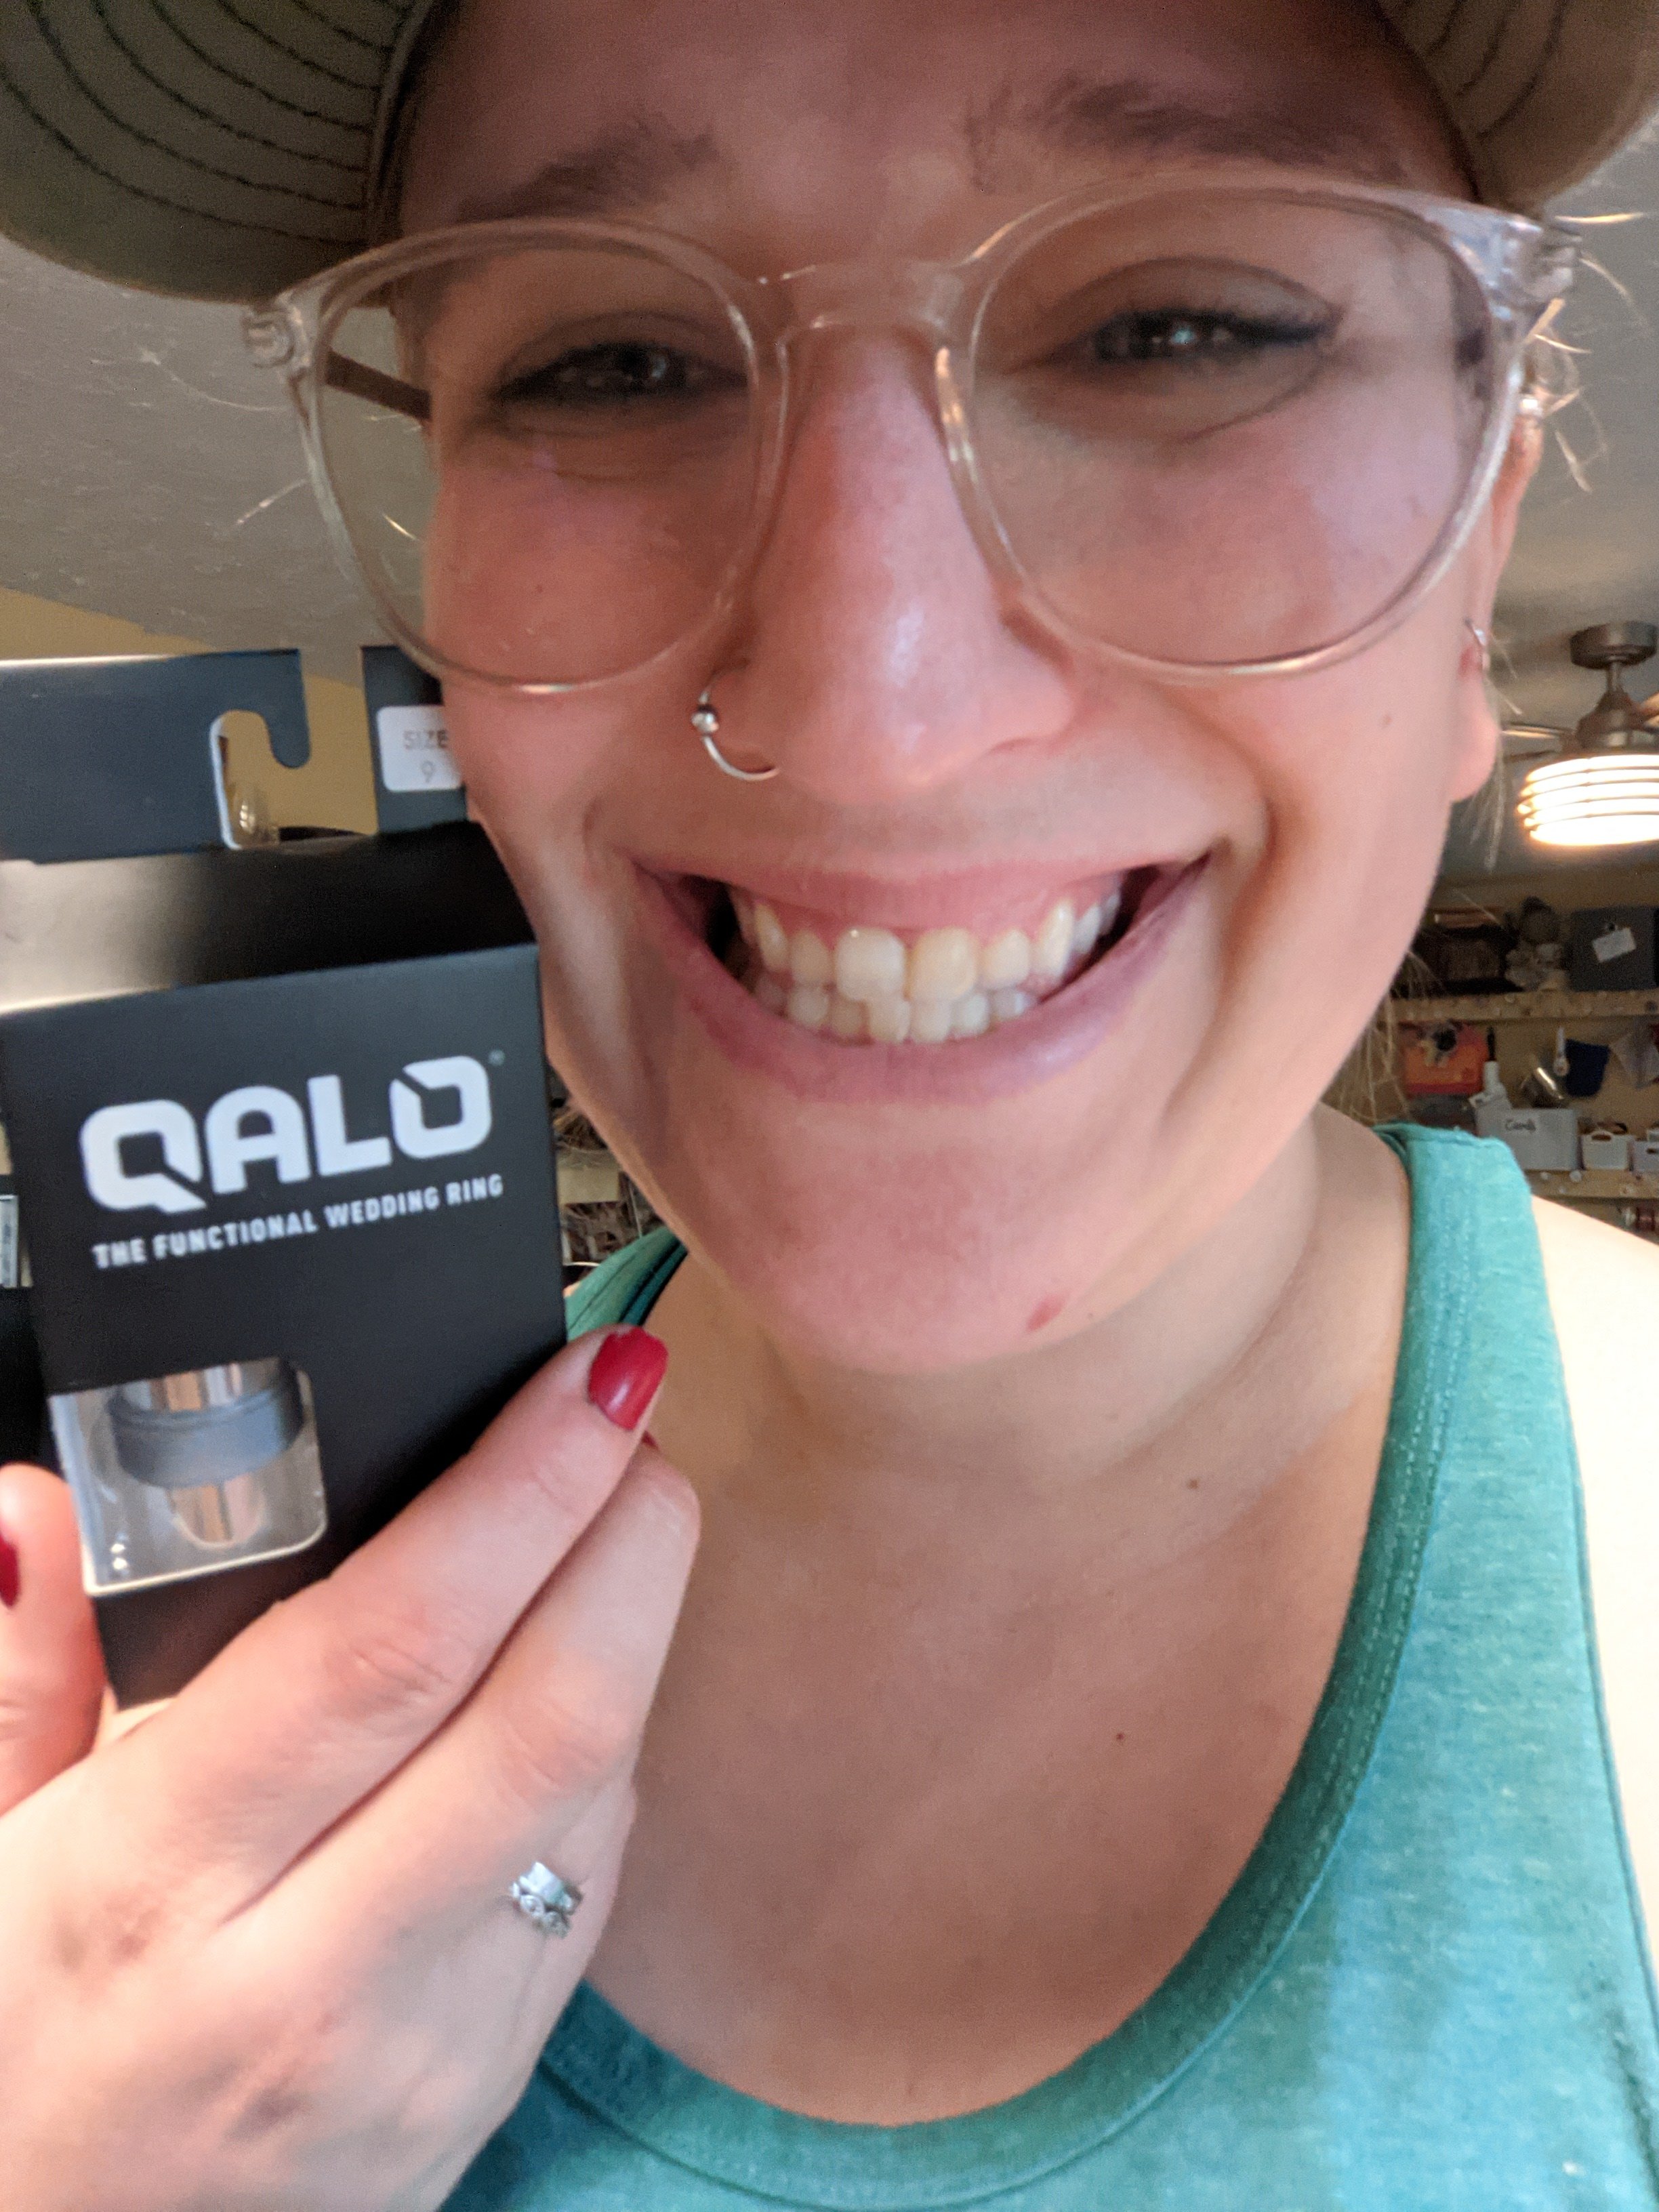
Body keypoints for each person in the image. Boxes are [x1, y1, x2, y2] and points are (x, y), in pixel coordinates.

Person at [1, 0, 1657, 2203]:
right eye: (610, 364)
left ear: (1475, 583)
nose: (872, 709)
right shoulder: (218, 1683)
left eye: (1172, 329)